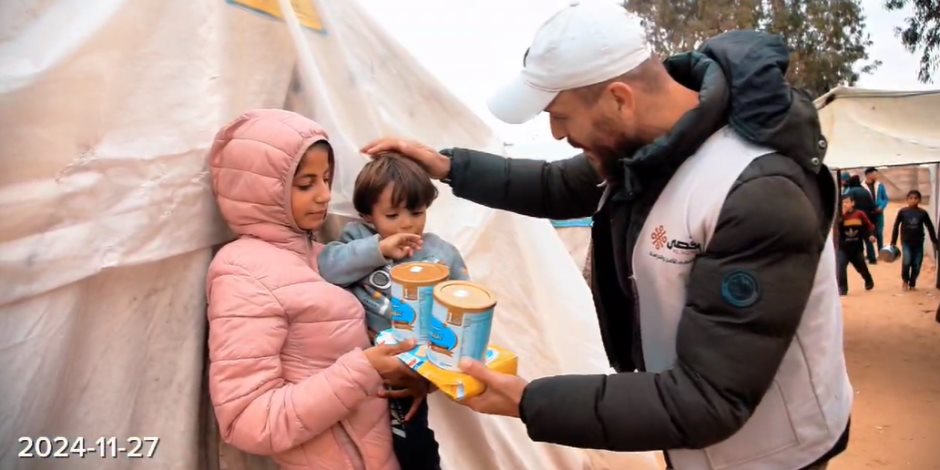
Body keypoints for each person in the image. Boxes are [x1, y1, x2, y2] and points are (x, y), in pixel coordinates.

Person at [362, 2, 851, 469]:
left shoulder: (756, 194)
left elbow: (710, 397)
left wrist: (529, 401)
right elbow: (557, 185)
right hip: (687, 432)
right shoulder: (646, 152)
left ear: (620, 99)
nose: (555, 134)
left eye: (560, 114)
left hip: (770, 450)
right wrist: (448, 166)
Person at [205, 109, 421, 470]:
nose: (324, 195)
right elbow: (247, 420)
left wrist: (407, 376)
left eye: (325, 178)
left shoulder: (322, 255)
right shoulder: (241, 271)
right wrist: (362, 369)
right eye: (306, 184)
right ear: (261, 191)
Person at [318, 154, 471, 470]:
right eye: (392, 214)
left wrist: (429, 378)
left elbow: (462, 308)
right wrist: (379, 249)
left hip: (409, 368)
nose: (406, 223)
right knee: (353, 441)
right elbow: (327, 269)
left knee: (411, 439)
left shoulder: (440, 252)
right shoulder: (357, 240)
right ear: (367, 216)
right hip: (354, 363)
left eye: (417, 212)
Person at [890, 190, 939, 291]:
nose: (913, 200)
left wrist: (934, 240)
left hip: (918, 242)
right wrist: (893, 242)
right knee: (907, 261)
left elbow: (929, 226)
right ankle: (905, 281)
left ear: (919, 200)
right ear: (907, 199)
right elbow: (896, 226)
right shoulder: (903, 212)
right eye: (911, 198)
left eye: (916, 198)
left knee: (917, 263)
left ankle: (912, 283)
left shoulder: (922, 213)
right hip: (906, 241)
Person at [837, 195, 876, 295]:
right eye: (843, 203)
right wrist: (841, 216)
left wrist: (871, 235)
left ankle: (868, 279)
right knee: (841, 267)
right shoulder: (839, 216)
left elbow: (869, 226)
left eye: (847, 202)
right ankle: (843, 288)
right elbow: (836, 229)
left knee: (861, 267)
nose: (845, 204)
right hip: (843, 248)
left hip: (856, 247)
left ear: (853, 203)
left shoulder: (859, 214)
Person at [845, 175, 879, 263]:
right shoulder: (865, 191)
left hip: (855, 219)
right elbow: (872, 206)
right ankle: (872, 258)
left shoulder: (851, 191)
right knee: (868, 239)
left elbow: (847, 204)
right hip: (866, 218)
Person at [863, 167, 890, 251]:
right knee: (869, 232)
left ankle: (881, 251)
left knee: (879, 232)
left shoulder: (880, 185)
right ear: (868, 174)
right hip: (868, 213)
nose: (876, 175)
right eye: (874, 173)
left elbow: (885, 198)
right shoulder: (862, 186)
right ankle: (871, 254)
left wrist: (881, 207)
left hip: (878, 212)